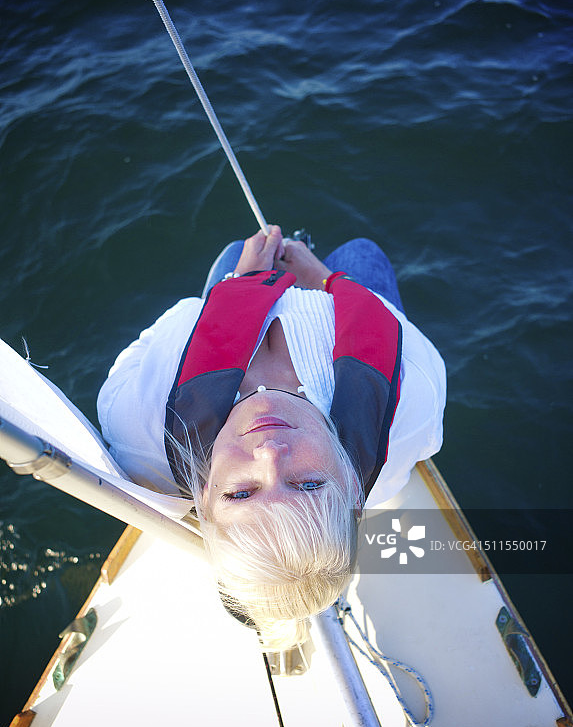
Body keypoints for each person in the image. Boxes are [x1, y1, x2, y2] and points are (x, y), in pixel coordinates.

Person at [97, 227, 446, 650]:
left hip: (230, 295)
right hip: (347, 300)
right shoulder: (413, 400)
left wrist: (235, 285)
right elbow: (401, 334)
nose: (268, 454)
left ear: (204, 495)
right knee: (360, 251)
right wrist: (326, 279)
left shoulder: (138, 428)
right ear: (354, 488)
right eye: (308, 484)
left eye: (241, 493)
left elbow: (137, 356)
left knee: (231, 248)